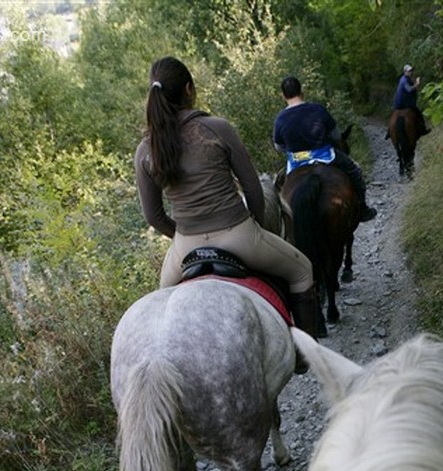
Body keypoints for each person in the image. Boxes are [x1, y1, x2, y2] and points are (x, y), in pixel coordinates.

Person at [134, 56, 317, 371]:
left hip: (185, 247)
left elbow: (153, 216)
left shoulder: (146, 149)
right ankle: (305, 357)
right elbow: (253, 189)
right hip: (238, 234)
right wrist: (256, 228)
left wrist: (182, 233)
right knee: (302, 271)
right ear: (189, 89)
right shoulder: (216, 128)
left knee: (162, 314)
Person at [272, 76, 377, 222]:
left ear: (283, 95)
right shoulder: (318, 109)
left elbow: (279, 147)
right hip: (325, 155)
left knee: (277, 190)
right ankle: (362, 208)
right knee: (355, 171)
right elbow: (335, 135)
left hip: (296, 161)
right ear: (302, 91)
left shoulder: (280, 119)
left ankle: (283, 225)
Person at [392, 64, 429, 136]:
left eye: (411, 71)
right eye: (409, 71)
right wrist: (417, 84)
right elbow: (409, 89)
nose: (410, 72)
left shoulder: (404, 79)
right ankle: (423, 129)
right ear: (405, 72)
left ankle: (389, 132)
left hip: (397, 104)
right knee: (418, 114)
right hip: (405, 104)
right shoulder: (404, 80)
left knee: (393, 116)